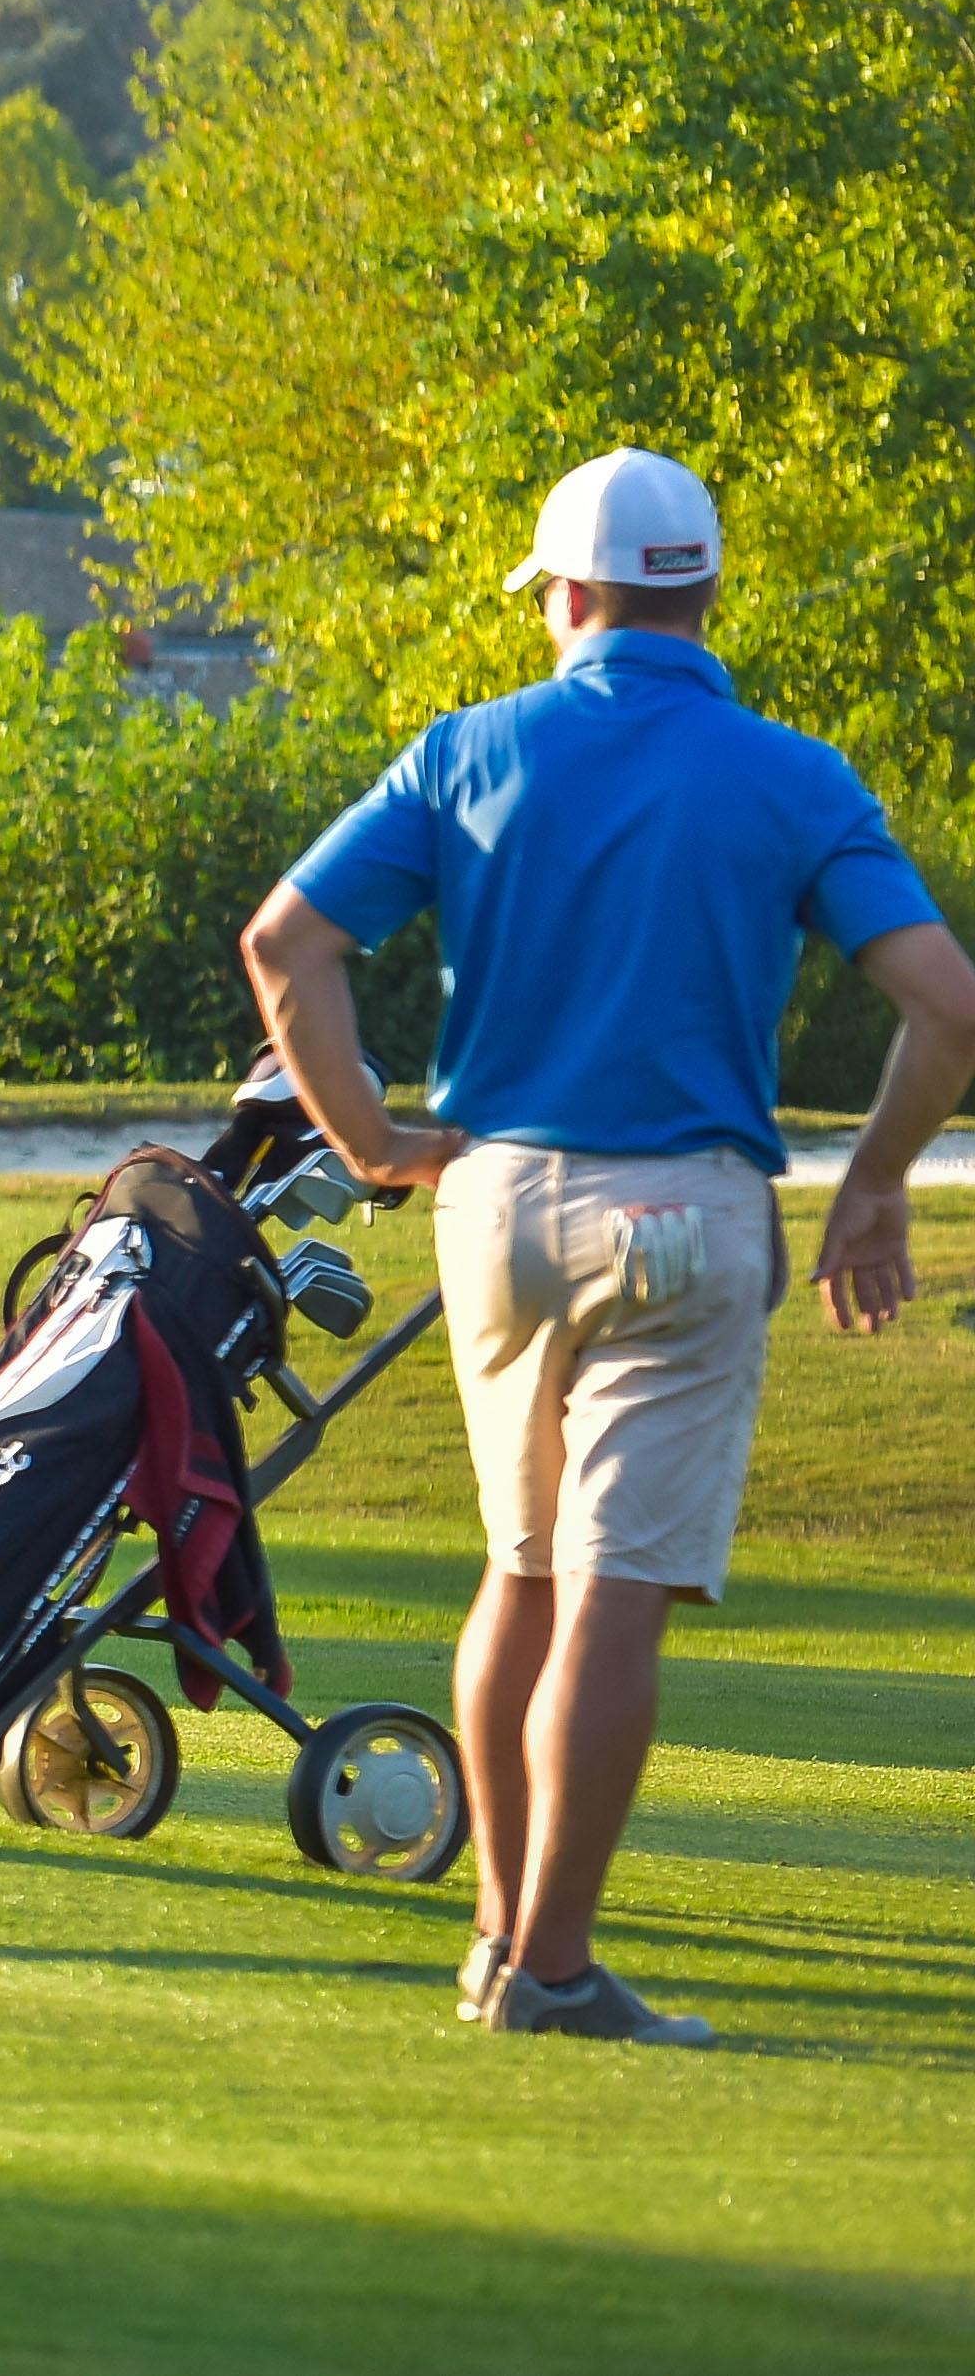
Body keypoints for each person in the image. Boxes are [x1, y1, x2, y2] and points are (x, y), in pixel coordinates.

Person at [237, 448, 975, 2043]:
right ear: (703, 592)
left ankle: (505, 1943)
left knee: (519, 1573)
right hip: (687, 1210)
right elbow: (948, 1005)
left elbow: (286, 942)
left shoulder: (466, 750)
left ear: (566, 598)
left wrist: (371, 1141)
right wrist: (873, 1180)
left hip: (496, 1203)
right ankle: (551, 1974)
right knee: (614, 1598)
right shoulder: (792, 774)